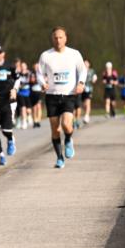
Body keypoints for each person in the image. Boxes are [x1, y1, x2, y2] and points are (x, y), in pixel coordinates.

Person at [36, 27, 87, 169]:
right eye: (55, 38)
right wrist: (43, 83)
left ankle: (69, 139)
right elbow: (39, 73)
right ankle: (59, 158)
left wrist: (81, 83)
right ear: (52, 39)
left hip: (68, 95)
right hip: (52, 96)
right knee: (55, 129)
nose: (58, 40)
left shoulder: (74, 54)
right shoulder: (46, 56)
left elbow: (82, 70)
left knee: (66, 124)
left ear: (66, 38)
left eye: (60, 37)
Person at [80, 59, 98, 124]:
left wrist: (94, 79)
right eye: (84, 63)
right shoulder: (81, 71)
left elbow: (95, 77)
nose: (85, 64)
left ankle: (86, 116)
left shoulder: (92, 71)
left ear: (89, 64)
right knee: (84, 104)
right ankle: (86, 114)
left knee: (88, 103)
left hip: (89, 89)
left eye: (86, 63)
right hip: (81, 89)